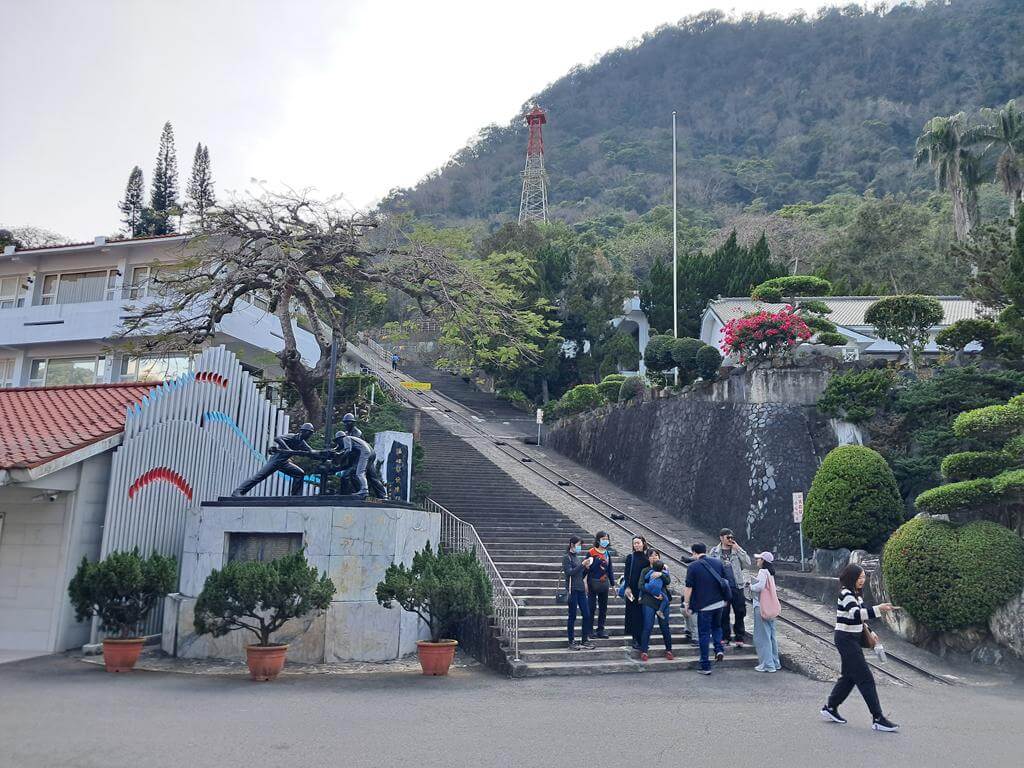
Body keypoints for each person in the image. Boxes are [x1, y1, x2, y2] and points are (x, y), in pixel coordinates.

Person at [821, 564, 900, 732]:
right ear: (851, 578)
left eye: (864, 578)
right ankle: (878, 718)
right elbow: (855, 614)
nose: (862, 581)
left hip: (853, 638)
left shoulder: (857, 595)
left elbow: (860, 620)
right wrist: (879, 609)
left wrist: (870, 632)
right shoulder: (846, 594)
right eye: (860, 578)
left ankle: (830, 707)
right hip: (846, 639)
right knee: (865, 678)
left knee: (849, 677)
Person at [683, 542, 730, 675]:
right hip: (719, 603)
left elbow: (689, 587)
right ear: (706, 550)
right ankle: (719, 649)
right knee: (717, 627)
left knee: (704, 634)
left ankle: (705, 665)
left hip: (704, 606)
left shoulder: (693, 566)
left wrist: (686, 604)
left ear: (694, 552)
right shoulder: (717, 562)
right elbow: (724, 581)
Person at [232, 422, 314, 497]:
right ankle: (238, 491)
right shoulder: (292, 437)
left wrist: (320, 454)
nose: (309, 435)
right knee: (259, 477)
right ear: (302, 431)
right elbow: (278, 438)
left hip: (284, 463)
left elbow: (311, 452)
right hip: (276, 460)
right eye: (308, 433)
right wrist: (288, 449)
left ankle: (295, 496)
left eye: (311, 433)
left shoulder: (302, 443)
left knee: (299, 473)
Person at [710, 528, 751, 648]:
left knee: (740, 611)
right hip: (722, 587)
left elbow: (748, 563)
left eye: (732, 537)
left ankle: (739, 637)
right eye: (728, 537)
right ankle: (725, 637)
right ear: (721, 538)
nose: (730, 540)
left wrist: (738, 549)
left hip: (737, 586)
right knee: (723, 613)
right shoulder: (714, 552)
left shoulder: (736, 550)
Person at [638, 549, 674, 662]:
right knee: (648, 626)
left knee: (665, 626)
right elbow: (641, 585)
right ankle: (644, 651)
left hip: (662, 601)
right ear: (648, 558)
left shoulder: (664, 569)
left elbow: (668, 581)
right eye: (652, 556)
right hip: (648, 601)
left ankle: (669, 650)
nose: (654, 557)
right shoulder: (645, 570)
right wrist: (653, 593)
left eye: (656, 555)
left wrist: (661, 574)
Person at [750, 551, 781, 673]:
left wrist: (750, 586)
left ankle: (767, 664)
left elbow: (760, 586)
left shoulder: (763, 572)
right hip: (771, 608)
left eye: (759, 559)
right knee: (772, 636)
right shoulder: (770, 573)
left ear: (763, 561)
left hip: (761, 607)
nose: (757, 561)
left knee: (762, 637)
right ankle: (775, 662)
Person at [562, 536, 594, 650]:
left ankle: (584, 639)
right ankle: (571, 641)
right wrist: (582, 565)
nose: (580, 547)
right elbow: (569, 572)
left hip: (580, 589)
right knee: (572, 615)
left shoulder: (577, 557)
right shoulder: (567, 558)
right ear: (572, 544)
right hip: (572, 590)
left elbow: (580, 574)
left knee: (586, 614)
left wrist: (586, 567)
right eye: (578, 545)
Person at [621, 536, 649, 649]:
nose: (636, 545)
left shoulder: (648, 558)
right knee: (633, 615)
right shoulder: (630, 557)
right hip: (632, 590)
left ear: (643, 543)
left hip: (643, 591)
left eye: (638, 543)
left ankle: (642, 639)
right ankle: (635, 639)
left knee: (642, 616)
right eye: (634, 543)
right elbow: (627, 574)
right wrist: (627, 587)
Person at [586, 531, 614, 639]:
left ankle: (600, 629)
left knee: (603, 608)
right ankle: (589, 630)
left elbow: (610, 569)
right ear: (598, 540)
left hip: (604, 583)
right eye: (603, 538)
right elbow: (586, 568)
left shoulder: (607, 553)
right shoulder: (591, 552)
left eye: (607, 538)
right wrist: (584, 583)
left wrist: (612, 584)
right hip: (592, 583)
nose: (605, 541)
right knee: (591, 607)